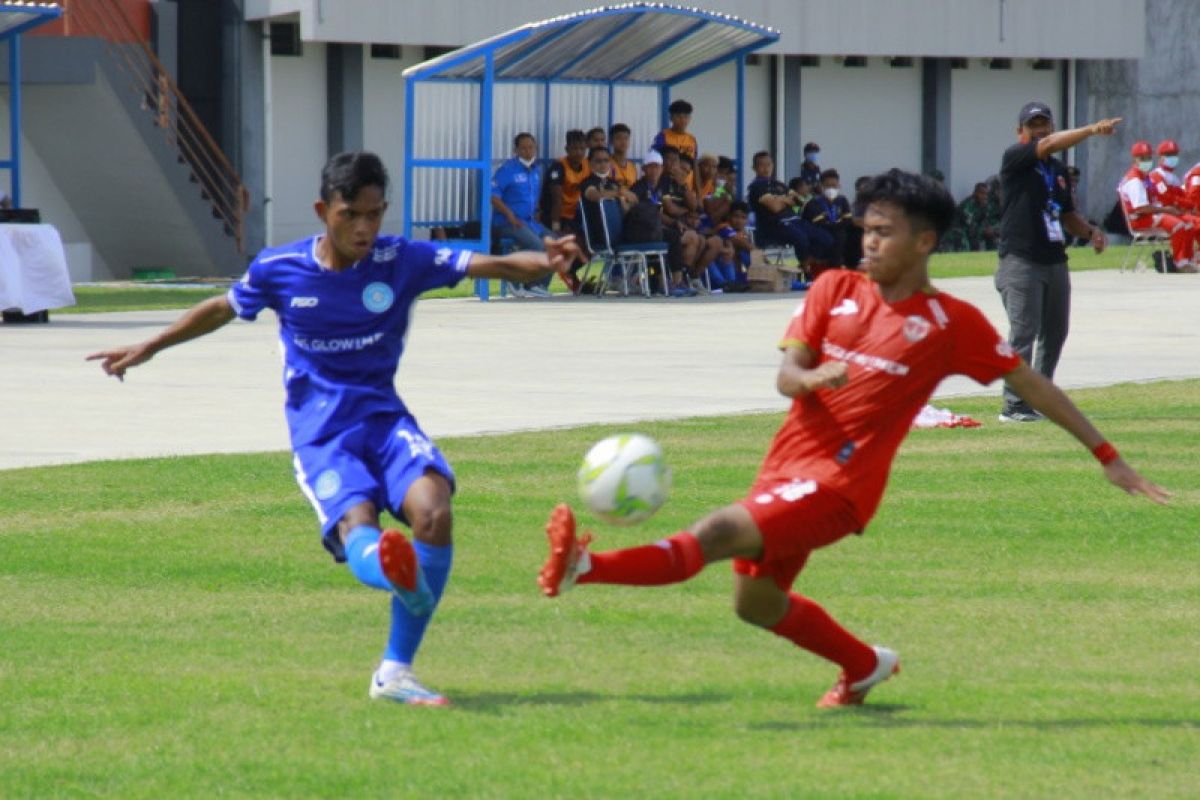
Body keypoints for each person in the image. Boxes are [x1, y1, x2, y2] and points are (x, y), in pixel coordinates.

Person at [537, 168, 1168, 709]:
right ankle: (866, 665)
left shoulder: (952, 324)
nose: (867, 240)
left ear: (923, 241)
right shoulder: (832, 289)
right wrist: (812, 376)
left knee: (716, 533)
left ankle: (584, 568)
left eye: (883, 231)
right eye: (866, 227)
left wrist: (1107, 455)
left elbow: (1033, 386)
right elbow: (787, 376)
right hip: (783, 469)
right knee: (754, 604)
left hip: (841, 488)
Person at [88, 151, 580, 707]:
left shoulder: (401, 259)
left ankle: (395, 671)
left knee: (435, 512)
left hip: (385, 421)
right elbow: (222, 308)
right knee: (359, 522)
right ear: (324, 211)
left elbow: (490, 265)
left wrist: (544, 260)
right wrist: (148, 346)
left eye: (374, 214)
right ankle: (396, 577)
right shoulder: (280, 268)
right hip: (323, 436)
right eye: (351, 215)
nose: (365, 227)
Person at [995, 101, 1118, 423]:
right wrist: (1091, 130)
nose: (1040, 130)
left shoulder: (1058, 172)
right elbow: (1047, 145)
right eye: (1033, 124)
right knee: (1024, 332)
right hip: (1021, 260)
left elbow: (1065, 215)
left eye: (1044, 123)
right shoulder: (1016, 157)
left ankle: (1040, 397)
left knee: (1055, 331)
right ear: (1020, 131)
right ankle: (1013, 404)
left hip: (1054, 260)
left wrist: (1091, 232)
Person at [1118, 140, 1200, 273]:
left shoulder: (1145, 178)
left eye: (1149, 157)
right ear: (1135, 159)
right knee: (1178, 225)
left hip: (1152, 213)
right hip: (1140, 219)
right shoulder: (1135, 180)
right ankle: (1180, 262)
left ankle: (1186, 260)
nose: (1147, 161)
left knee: (1189, 224)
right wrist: (1166, 210)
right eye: (1143, 158)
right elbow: (1141, 207)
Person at [748, 150, 835, 272]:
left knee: (826, 238)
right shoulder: (756, 186)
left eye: (768, 164)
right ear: (754, 168)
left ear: (772, 165)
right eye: (762, 165)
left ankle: (805, 264)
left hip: (796, 221)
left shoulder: (779, 184)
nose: (766, 168)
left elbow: (799, 199)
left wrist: (779, 199)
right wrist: (786, 200)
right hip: (776, 225)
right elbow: (775, 207)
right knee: (801, 240)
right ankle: (802, 270)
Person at [491, 132, 554, 297]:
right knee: (538, 246)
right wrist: (509, 214)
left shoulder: (537, 170)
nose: (528, 151)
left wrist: (538, 211)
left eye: (531, 147)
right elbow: (493, 196)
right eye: (523, 148)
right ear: (516, 150)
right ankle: (523, 282)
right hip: (508, 222)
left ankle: (538, 285)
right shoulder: (507, 170)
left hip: (530, 222)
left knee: (556, 243)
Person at [608, 123, 638, 189]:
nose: (623, 142)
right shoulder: (606, 164)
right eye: (618, 138)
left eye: (626, 138)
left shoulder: (632, 167)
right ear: (611, 141)